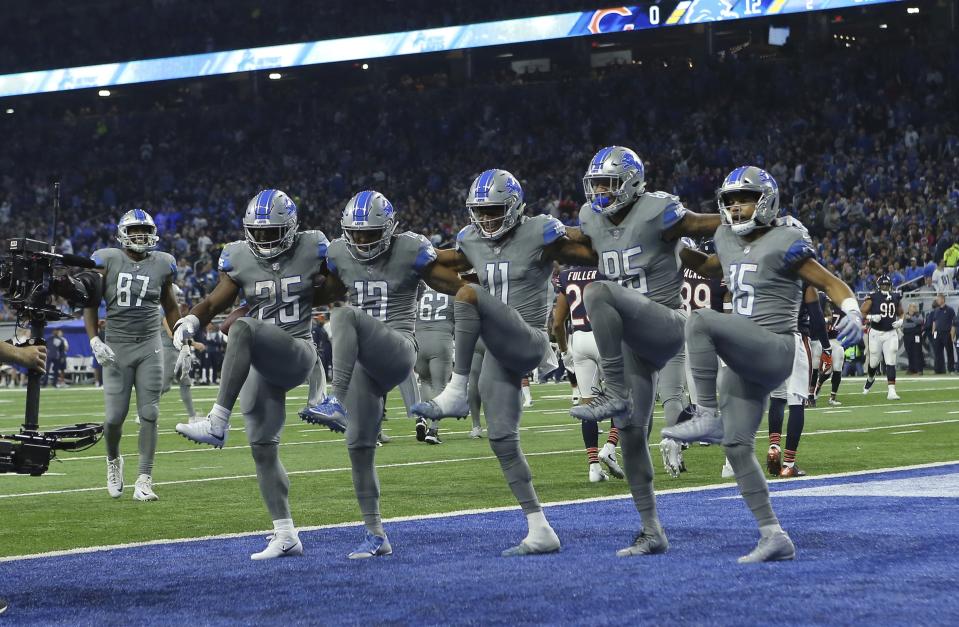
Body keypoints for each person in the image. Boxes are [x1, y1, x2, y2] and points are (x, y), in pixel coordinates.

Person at [663, 165, 863, 562]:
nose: (736, 209)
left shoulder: (785, 239)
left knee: (700, 320)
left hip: (774, 345)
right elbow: (705, 267)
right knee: (737, 446)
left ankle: (704, 413)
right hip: (743, 353)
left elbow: (827, 281)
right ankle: (773, 535)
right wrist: (672, 247)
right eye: (731, 202)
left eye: (745, 200)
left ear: (766, 201)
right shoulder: (725, 237)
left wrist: (853, 310)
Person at [411, 168, 597, 557]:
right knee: (501, 439)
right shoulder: (471, 240)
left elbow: (591, 249)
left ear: (514, 207)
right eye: (480, 210)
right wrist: (406, 253)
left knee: (470, 294)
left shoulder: (540, 231)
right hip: (498, 348)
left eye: (495, 210)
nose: (487, 218)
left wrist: (602, 228)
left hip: (530, 338)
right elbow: (439, 265)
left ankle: (458, 390)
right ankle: (540, 528)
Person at [566, 146, 721, 555]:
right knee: (632, 437)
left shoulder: (658, 211)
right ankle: (652, 529)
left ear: (632, 183)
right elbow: (577, 245)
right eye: (596, 183)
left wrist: (747, 225)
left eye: (609, 183)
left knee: (597, 291)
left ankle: (613, 389)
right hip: (634, 343)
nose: (600, 191)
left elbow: (699, 225)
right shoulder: (591, 220)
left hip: (666, 324)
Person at [300, 190, 464, 559]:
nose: (360, 241)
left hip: (400, 346)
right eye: (354, 234)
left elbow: (454, 281)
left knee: (344, 316)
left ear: (390, 229)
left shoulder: (410, 249)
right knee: (358, 447)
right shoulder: (339, 252)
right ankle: (375, 534)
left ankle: (335, 400)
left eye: (369, 233)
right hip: (363, 360)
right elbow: (327, 290)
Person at [173, 189, 328, 560]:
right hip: (260, 361)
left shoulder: (313, 247)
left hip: (297, 350)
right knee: (262, 447)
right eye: (256, 233)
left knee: (242, 328)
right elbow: (215, 300)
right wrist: (192, 318)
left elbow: (340, 282)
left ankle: (216, 421)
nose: (263, 240)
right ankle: (285, 533)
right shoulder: (240, 256)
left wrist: (318, 291)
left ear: (291, 229)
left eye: (271, 232)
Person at [85, 209, 181, 502]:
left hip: (150, 345)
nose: (140, 236)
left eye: (144, 230)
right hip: (116, 347)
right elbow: (90, 300)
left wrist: (182, 339)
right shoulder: (107, 259)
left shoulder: (163, 263)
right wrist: (92, 338)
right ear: (123, 233)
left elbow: (171, 305)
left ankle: (145, 478)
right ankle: (114, 460)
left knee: (149, 413)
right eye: (135, 230)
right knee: (114, 418)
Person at [551, 265, 623, 483]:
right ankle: (610, 447)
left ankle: (593, 467)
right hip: (605, 336)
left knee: (588, 405)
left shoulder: (566, 275)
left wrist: (564, 351)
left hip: (579, 340)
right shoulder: (606, 268)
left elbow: (557, 323)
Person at [767, 284, 828, 479]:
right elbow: (817, 319)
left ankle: (774, 447)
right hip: (796, 338)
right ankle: (788, 464)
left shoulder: (768, 273)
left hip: (771, 339)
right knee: (797, 402)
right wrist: (826, 348)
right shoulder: (803, 280)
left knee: (776, 398)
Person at [414, 282, 455, 445]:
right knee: (440, 387)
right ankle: (433, 429)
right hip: (441, 339)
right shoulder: (452, 289)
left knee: (424, 381)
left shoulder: (419, 289)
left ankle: (421, 417)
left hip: (419, 339)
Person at [159, 285, 199, 424]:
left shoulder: (175, 311)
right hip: (168, 351)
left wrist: (192, 342)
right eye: (178, 296)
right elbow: (172, 334)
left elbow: (181, 332)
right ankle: (144, 413)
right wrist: (193, 344)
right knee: (164, 386)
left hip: (178, 350)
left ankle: (192, 416)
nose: (180, 299)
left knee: (185, 383)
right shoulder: (164, 311)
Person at [861, 275, 903, 400]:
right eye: (883, 285)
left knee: (891, 360)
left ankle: (891, 391)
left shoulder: (895, 296)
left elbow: (901, 313)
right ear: (879, 286)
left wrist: (901, 321)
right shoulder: (872, 297)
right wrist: (871, 317)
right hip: (875, 332)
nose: (885, 287)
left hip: (890, 332)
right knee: (873, 361)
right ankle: (870, 378)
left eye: (887, 285)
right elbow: (862, 312)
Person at [812, 299, 847, 404]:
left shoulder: (842, 311)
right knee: (824, 371)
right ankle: (813, 391)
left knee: (837, 369)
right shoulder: (818, 310)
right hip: (822, 342)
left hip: (836, 342)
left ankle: (832, 398)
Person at [930, 295, 956, 373]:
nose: (937, 301)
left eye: (938, 299)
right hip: (937, 333)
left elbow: (953, 322)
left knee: (949, 352)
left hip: (946, 333)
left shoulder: (950, 310)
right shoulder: (936, 310)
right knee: (937, 352)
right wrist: (933, 332)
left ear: (943, 300)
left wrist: (952, 334)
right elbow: (934, 322)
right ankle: (939, 369)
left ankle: (951, 369)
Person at [902, 302, 924, 374]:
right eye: (913, 306)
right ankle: (911, 369)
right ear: (909, 308)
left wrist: (911, 318)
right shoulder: (905, 315)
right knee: (909, 352)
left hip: (916, 336)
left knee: (917, 352)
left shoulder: (919, 314)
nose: (914, 308)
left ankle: (919, 369)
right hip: (907, 336)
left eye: (915, 306)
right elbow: (904, 325)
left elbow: (920, 321)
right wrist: (914, 324)